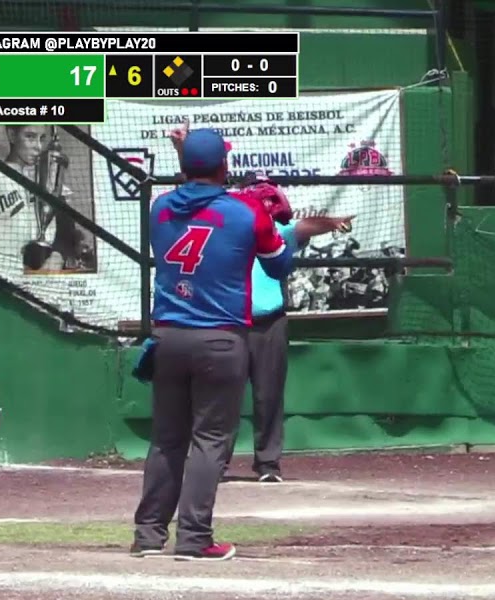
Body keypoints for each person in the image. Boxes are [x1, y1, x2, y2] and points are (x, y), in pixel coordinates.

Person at [130, 128, 294, 561]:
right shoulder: (246, 212)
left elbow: (192, 202)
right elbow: (279, 265)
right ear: (224, 165)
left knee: (167, 438)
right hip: (220, 339)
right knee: (210, 439)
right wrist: (279, 224)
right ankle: (194, 537)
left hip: (167, 337)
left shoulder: (160, 207)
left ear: (185, 165)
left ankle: (148, 536)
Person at [227, 176, 353, 483]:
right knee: (222, 397)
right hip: (230, 324)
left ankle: (268, 465)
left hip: (270, 322)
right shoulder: (225, 229)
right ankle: (213, 464)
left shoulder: (273, 229)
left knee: (268, 396)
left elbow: (304, 226)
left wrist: (333, 223)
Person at [0, 125, 93, 273]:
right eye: (30, 137)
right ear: (12, 135)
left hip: (45, 268)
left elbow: (66, 229)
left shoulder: (49, 176)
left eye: (42, 139)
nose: (38, 147)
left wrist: (57, 256)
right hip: (0, 268)